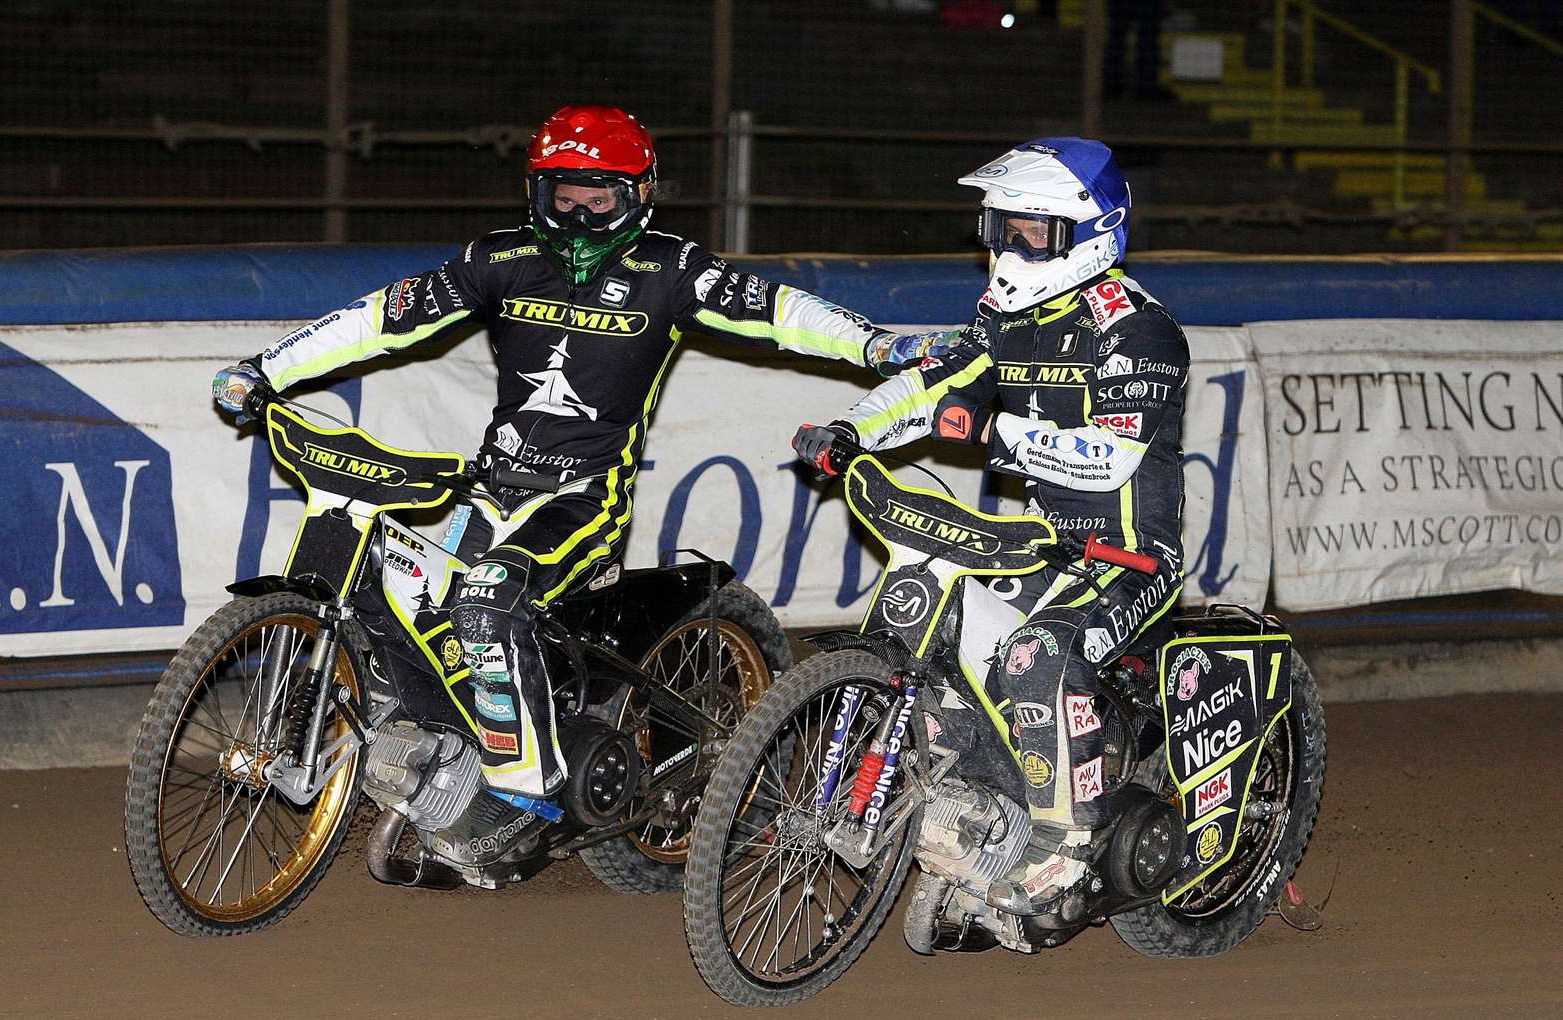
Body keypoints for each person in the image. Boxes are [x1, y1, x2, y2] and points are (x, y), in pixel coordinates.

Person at [213, 104, 955, 801]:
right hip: (488, 487)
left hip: (584, 496)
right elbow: (383, 318)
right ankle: (453, 754)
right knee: (410, 595)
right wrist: (265, 368)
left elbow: (780, 312)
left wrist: (874, 344)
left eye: (598, 198)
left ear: (638, 196)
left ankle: (522, 793)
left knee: (483, 600)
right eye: (562, 194)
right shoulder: (500, 257)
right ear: (536, 190)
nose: (576, 213)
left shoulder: (669, 269)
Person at [792, 137, 1189, 916]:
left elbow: (1107, 462)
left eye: (1030, 232)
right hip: (1041, 540)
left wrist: (991, 432)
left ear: (1089, 232)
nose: (1008, 246)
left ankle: (1065, 849)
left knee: (1035, 659)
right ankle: (979, 808)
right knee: (931, 625)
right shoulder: (1006, 314)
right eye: (1001, 226)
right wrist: (850, 428)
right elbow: (932, 382)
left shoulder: (1138, 329)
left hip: (1130, 555)